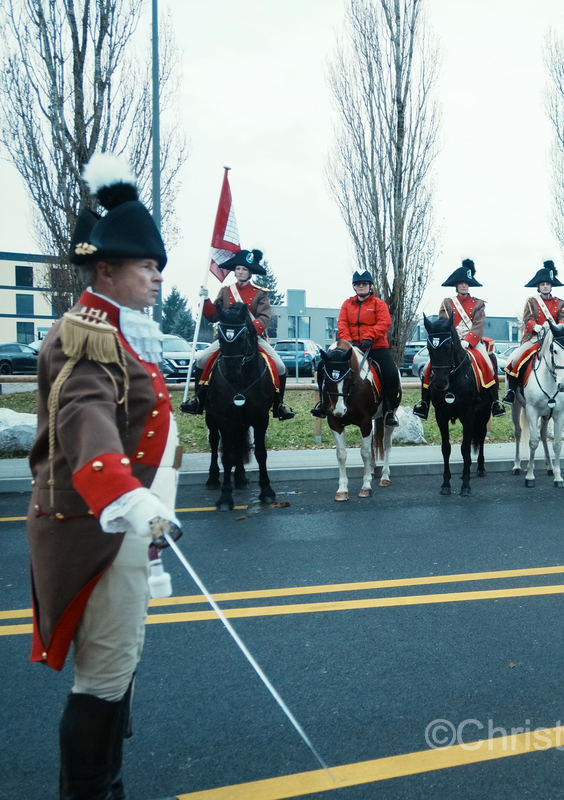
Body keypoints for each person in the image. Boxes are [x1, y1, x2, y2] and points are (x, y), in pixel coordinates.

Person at [28, 154, 183, 797]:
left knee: (120, 663)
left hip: (125, 528)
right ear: (106, 270)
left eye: (157, 266)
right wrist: (128, 497)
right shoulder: (85, 334)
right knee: (105, 672)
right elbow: (84, 416)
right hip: (99, 526)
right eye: (145, 266)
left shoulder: (122, 332)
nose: (157, 277)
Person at [179, 249, 294, 420]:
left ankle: (279, 405)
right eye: (238, 268)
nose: (240, 272)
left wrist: (249, 331)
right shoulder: (225, 291)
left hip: (253, 338)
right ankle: (198, 400)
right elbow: (214, 316)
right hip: (228, 339)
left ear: (250, 272)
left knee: (280, 366)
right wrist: (205, 300)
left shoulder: (260, 293)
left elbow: (264, 318)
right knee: (202, 360)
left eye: (244, 269)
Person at [413, 259, 506, 420]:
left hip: (472, 342)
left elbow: (478, 325)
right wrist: (454, 340)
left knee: (489, 365)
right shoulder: (447, 303)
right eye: (461, 283)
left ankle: (495, 402)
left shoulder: (478, 304)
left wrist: (468, 340)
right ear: (456, 285)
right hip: (450, 343)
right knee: (429, 367)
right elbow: (443, 323)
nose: (464, 285)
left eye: (466, 283)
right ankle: (424, 403)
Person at [312, 270, 401, 427]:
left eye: (364, 283)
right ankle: (322, 404)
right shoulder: (347, 304)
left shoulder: (379, 304)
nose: (361, 286)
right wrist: (348, 341)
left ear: (370, 286)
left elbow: (384, 322)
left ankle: (389, 411)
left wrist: (369, 337)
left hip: (375, 346)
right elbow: (342, 323)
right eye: (358, 284)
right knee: (322, 366)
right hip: (351, 348)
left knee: (392, 373)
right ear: (354, 286)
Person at [502, 260, 564, 406]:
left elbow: (563, 319)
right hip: (534, 338)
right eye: (542, 284)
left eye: (548, 284)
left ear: (551, 286)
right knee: (516, 359)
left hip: (553, 339)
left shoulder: (559, 303)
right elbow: (527, 318)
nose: (545, 286)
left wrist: (558, 327)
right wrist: (535, 326)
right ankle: (511, 391)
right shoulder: (532, 302)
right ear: (538, 286)